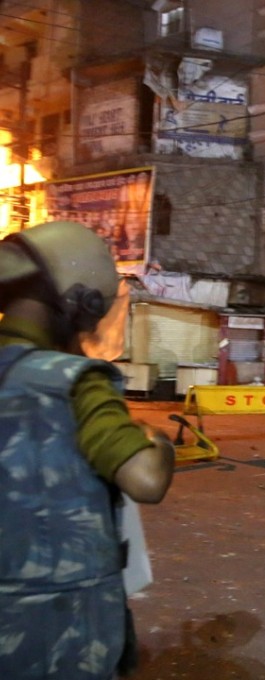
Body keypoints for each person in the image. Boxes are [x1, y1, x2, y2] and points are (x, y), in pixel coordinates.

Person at [0, 221, 176, 679]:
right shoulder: (75, 380)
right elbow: (146, 479)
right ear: (82, 303)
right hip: (60, 630)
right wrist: (156, 439)